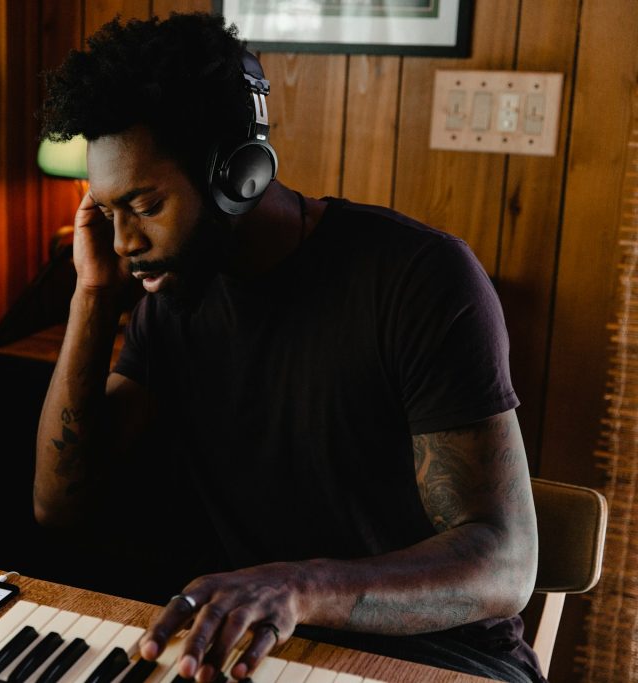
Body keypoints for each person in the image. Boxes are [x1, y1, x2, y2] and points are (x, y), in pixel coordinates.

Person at [33, 12, 543, 683]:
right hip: (266, 649)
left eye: (146, 206)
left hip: (441, 659)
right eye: (107, 211)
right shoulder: (171, 302)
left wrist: (300, 588)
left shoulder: (419, 279)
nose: (125, 241)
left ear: (236, 174)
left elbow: (505, 562)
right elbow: (60, 504)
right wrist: (93, 296)